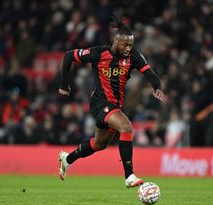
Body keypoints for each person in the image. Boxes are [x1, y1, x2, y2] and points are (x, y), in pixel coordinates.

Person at [57, 11, 166, 188]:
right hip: (100, 102)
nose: (129, 48)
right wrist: (64, 84)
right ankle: (129, 176)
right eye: (126, 44)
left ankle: (67, 159)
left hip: (114, 105)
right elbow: (69, 55)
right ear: (116, 41)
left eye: (131, 44)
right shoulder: (99, 53)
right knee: (126, 127)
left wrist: (157, 87)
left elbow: (151, 74)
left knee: (98, 145)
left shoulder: (133, 56)